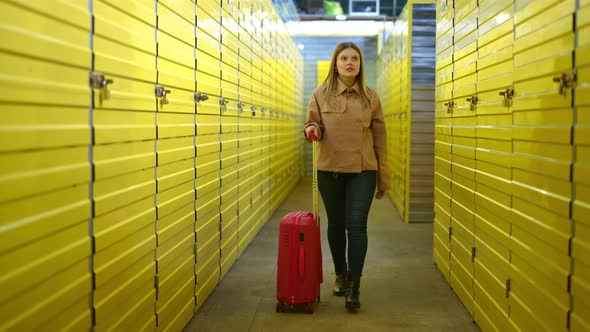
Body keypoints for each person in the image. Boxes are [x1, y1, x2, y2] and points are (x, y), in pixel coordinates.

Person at [303, 42, 389, 310]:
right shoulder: (320, 93)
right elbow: (311, 122)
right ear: (336, 63)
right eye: (344, 58)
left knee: (356, 226)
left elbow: (380, 138)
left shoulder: (371, 97)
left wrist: (383, 176)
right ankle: (340, 272)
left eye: (354, 58)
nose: (349, 62)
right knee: (336, 225)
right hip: (330, 168)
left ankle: (355, 284)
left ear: (360, 64)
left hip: (363, 169)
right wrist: (311, 129)